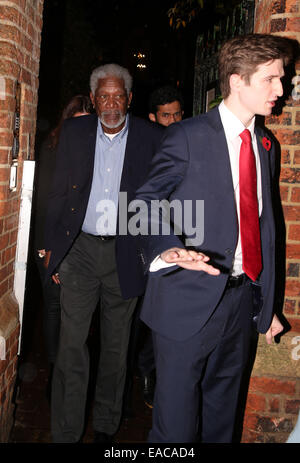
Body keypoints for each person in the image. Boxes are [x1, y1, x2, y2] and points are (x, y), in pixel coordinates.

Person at [134, 34, 292, 443]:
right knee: (176, 432)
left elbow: (266, 230)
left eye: (282, 78)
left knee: (222, 426)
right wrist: (168, 248)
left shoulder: (265, 144)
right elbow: (144, 203)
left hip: (241, 306)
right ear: (237, 81)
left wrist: (266, 303)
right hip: (186, 301)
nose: (281, 88)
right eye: (271, 79)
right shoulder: (186, 136)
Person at [43, 63, 163, 443]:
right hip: (79, 250)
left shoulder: (151, 137)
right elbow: (59, 190)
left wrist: (152, 252)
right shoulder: (75, 132)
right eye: (104, 97)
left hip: (124, 253)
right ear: (93, 101)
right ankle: (66, 432)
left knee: (116, 347)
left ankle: (107, 428)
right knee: (71, 345)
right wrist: (51, 248)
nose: (111, 104)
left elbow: (161, 198)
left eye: (118, 96)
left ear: (129, 99)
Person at [34, 95, 92, 392]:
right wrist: (47, 248)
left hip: (80, 243)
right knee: (54, 307)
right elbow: (45, 199)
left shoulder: (96, 154)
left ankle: (69, 371)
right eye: (76, 123)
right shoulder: (53, 147)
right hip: (50, 240)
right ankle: (55, 372)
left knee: (75, 311)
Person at [135, 85, 185, 409]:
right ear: (154, 117)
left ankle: (157, 374)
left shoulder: (190, 143)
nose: (173, 120)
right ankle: (146, 371)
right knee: (147, 314)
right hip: (145, 240)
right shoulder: (144, 147)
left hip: (182, 238)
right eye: (166, 115)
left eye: (178, 113)